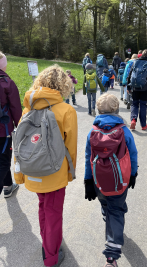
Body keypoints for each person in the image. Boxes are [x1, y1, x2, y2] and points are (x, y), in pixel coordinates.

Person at [14, 65, 78, 267]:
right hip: (54, 173)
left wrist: (19, 175)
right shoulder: (66, 110)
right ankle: (51, 257)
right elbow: (71, 148)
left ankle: (48, 242)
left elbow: (19, 144)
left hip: (32, 171)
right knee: (53, 215)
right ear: (63, 85)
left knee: (43, 207)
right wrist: (69, 174)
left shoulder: (27, 109)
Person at [84, 93, 138, 267]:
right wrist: (133, 174)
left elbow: (88, 157)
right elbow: (133, 154)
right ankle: (111, 257)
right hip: (120, 180)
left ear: (99, 110)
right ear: (116, 109)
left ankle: (110, 217)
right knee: (116, 210)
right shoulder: (123, 130)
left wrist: (88, 181)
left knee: (107, 206)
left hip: (98, 181)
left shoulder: (93, 132)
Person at [0, 51, 22, 198]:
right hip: (3, 129)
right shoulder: (6, 82)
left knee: (4, 156)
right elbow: (15, 107)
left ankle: (8, 186)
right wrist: (19, 125)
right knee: (3, 159)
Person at [127, 49, 147, 130]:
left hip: (135, 87)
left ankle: (133, 119)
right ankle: (143, 125)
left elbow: (130, 75)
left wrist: (128, 87)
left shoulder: (135, 62)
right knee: (143, 105)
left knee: (134, 104)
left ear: (142, 55)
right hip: (144, 88)